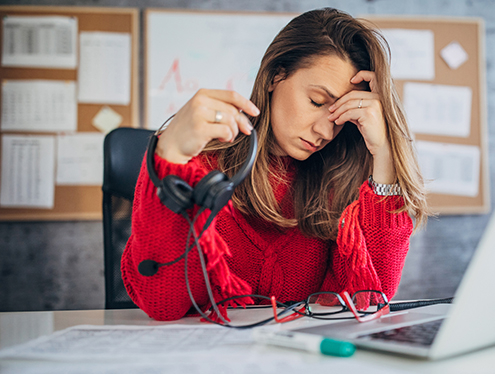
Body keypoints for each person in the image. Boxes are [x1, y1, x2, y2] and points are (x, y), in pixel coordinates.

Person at [122, 7, 431, 322]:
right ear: (274, 76)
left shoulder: (341, 183)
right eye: (317, 102)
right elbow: (164, 304)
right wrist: (170, 156)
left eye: (341, 116)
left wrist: (386, 157)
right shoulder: (199, 167)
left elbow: (367, 301)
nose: (326, 132)